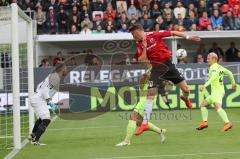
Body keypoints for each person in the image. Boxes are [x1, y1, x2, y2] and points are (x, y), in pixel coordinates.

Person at [127, 24, 200, 136]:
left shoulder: (154, 35)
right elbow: (142, 60)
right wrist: (145, 47)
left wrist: (188, 37)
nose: (133, 37)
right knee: (150, 94)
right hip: (156, 68)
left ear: (138, 31)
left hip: (168, 65)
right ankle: (145, 123)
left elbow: (173, 32)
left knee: (186, 90)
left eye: (133, 34)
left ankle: (186, 99)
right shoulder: (140, 44)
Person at [196, 53, 237, 132]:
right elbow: (230, 73)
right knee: (203, 105)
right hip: (216, 91)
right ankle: (205, 122)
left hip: (217, 91)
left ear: (214, 59)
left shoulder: (213, 67)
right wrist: (233, 84)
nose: (207, 60)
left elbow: (214, 77)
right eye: (207, 58)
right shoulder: (220, 67)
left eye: (209, 58)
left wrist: (204, 85)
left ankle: (227, 123)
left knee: (217, 106)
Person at [29, 63, 68, 145]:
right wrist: (51, 104)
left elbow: (40, 86)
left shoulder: (52, 76)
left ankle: (33, 135)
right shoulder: (55, 78)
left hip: (37, 98)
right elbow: (45, 92)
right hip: (39, 100)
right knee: (46, 119)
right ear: (62, 69)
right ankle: (35, 140)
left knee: (42, 118)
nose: (66, 70)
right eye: (66, 68)